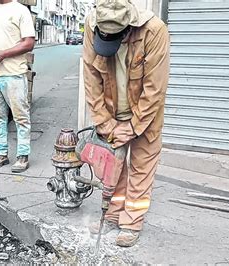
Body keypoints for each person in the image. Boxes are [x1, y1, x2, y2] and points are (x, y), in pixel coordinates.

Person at [83, 0, 170, 247]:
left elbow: (155, 88)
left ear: (128, 29)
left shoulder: (154, 31)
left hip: (145, 115)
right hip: (111, 113)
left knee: (141, 168)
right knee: (114, 168)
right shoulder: (92, 24)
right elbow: (91, 81)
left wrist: (132, 127)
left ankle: (132, 222)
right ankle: (111, 215)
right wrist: (105, 124)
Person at [0, 0, 35, 172]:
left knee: (21, 118)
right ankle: (1, 155)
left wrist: (3, 54)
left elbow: (29, 43)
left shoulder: (21, 10)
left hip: (15, 74)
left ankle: (22, 157)